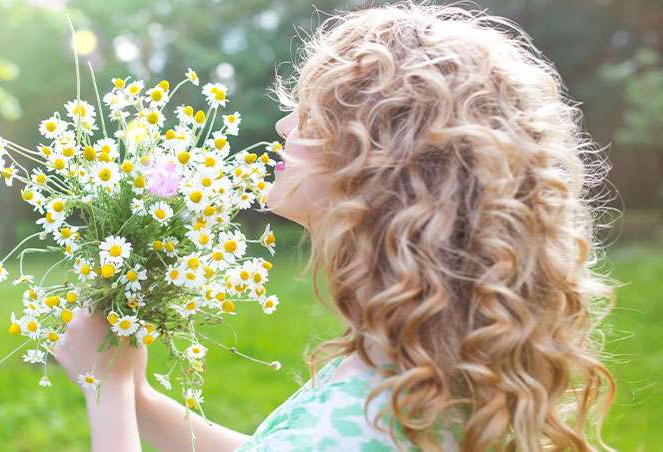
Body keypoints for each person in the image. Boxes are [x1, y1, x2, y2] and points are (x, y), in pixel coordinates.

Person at [52, 1, 618, 450]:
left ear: (382, 167)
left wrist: (108, 389)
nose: (281, 122)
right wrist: (144, 402)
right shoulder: (427, 356)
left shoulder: (374, 391)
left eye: (311, 114)